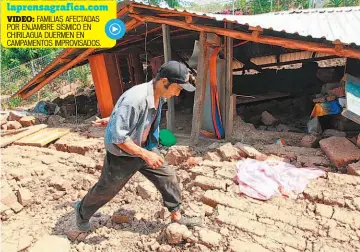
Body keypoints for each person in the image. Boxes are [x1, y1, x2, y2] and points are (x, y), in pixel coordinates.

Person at [74, 61, 201, 232]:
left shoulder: (159, 96)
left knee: (168, 176)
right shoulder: (136, 99)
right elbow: (118, 138)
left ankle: (176, 214)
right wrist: (144, 154)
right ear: (164, 81)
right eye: (178, 88)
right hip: (123, 153)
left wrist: (115, 121)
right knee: (107, 190)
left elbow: (133, 117)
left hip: (145, 146)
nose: (178, 94)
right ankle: (82, 213)